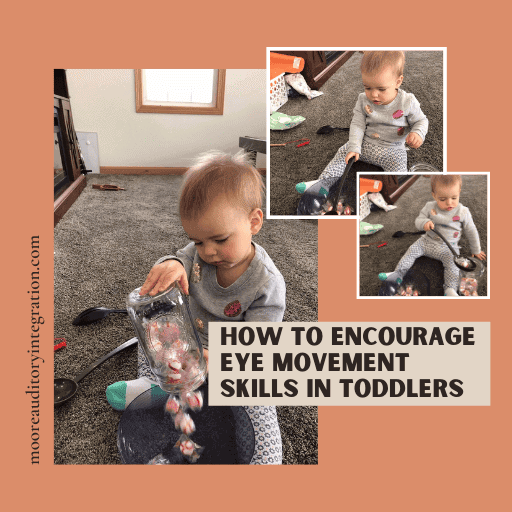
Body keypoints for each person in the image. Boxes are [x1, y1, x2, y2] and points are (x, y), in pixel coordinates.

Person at [107, 151, 286, 464]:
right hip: (188, 347)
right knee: (152, 331)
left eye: (219, 239)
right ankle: (154, 385)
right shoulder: (197, 253)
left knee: (260, 400)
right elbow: (178, 258)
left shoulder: (266, 283)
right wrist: (173, 263)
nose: (208, 252)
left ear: (254, 221)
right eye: (198, 241)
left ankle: (263, 456)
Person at [296, 51, 429, 194]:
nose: (373, 95)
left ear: (398, 81)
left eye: (381, 89)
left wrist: (417, 133)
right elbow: (357, 124)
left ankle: (379, 198)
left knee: (398, 177)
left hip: (394, 150)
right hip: (364, 145)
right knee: (342, 153)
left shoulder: (407, 101)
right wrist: (354, 146)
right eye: (367, 87)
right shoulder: (362, 99)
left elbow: (421, 120)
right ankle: (322, 184)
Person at [378, 175, 486, 296]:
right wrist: (424, 223)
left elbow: (471, 230)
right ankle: (397, 273)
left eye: (454, 198)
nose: (449, 203)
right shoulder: (429, 206)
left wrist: (476, 249)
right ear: (434, 195)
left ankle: (450, 289)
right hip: (426, 242)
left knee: (453, 266)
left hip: (448, 248)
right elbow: (418, 220)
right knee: (411, 251)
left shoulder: (463, 212)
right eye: (442, 199)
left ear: (459, 192)